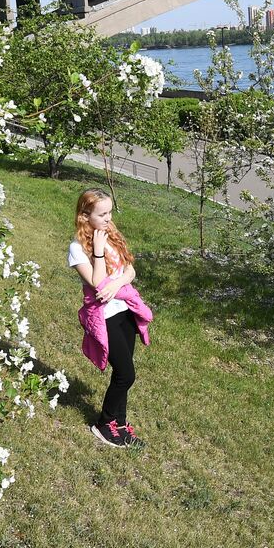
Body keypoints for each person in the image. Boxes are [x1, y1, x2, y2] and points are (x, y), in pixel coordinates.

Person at [70, 188, 153, 448]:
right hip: (105, 316)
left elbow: (130, 270)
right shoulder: (77, 248)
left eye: (109, 212)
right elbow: (96, 283)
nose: (108, 218)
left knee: (122, 370)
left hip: (124, 309)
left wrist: (116, 286)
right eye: (102, 214)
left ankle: (120, 423)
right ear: (85, 216)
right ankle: (104, 424)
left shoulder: (112, 236)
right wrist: (97, 250)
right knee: (126, 375)